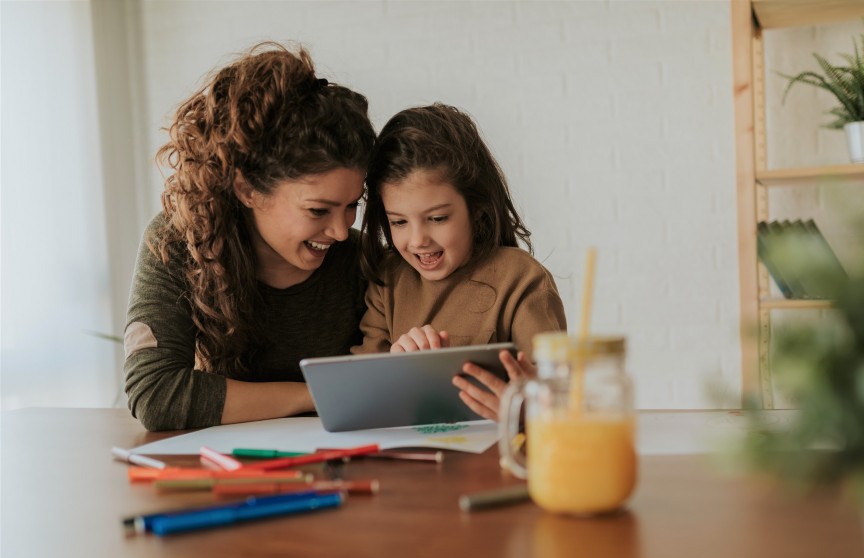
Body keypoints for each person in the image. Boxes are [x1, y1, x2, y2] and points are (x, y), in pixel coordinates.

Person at [123, 43, 375, 431]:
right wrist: (319, 393)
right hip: (231, 473)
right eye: (318, 211)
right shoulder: (178, 243)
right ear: (247, 189)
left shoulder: (361, 259)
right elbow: (156, 394)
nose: (342, 231)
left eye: (351, 205)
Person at [353, 103, 566, 419]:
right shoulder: (388, 280)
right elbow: (358, 393)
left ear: (476, 207)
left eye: (437, 218)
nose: (417, 240)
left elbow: (561, 396)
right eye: (399, 222)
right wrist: (394, 368)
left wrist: (530, 404)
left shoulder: (522, 280)